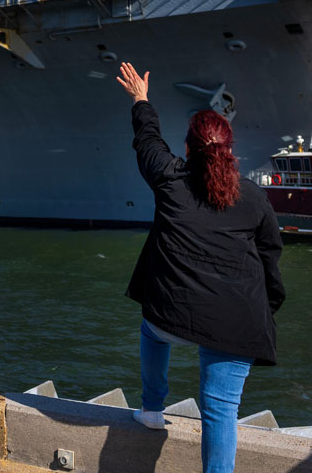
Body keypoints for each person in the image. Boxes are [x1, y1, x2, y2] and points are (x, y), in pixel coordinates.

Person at [114, 62, 285, 473]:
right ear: (230, 150)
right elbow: (269, 256)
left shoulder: (170, 178)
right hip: (237, 319)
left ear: (187, 148)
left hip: (173, 312)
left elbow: (147, 140)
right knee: (220, 410)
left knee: (151, 330)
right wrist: (270, 304)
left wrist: (141, 99)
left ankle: (153, 408)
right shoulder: (255, 197)